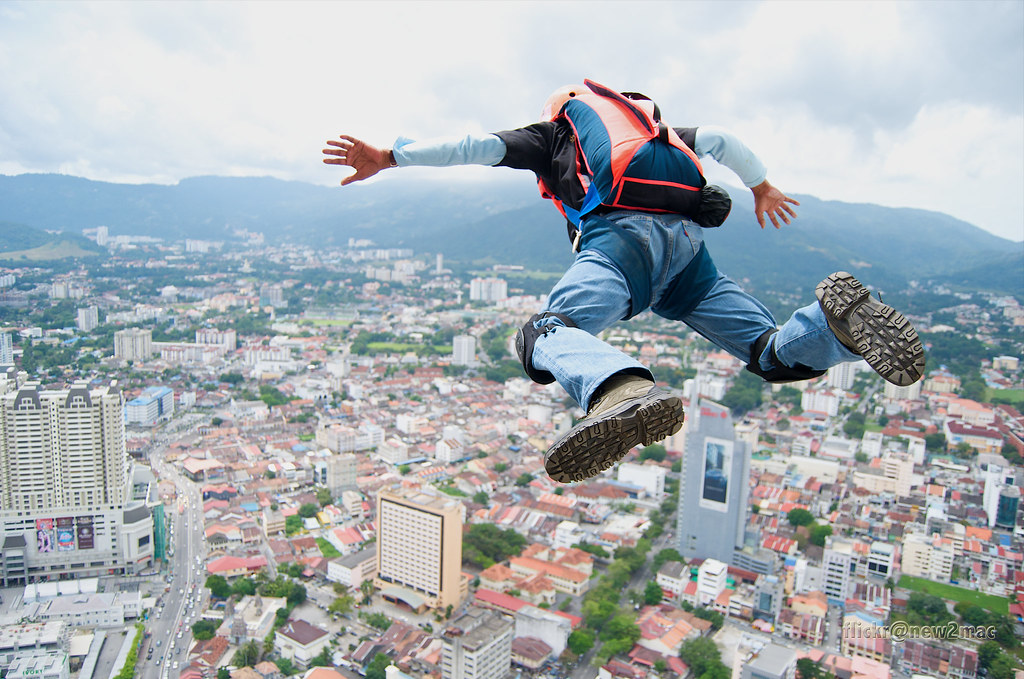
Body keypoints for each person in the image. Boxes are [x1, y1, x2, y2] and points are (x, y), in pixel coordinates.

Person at [323, 82, 925, 484]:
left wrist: (392, 156)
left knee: (546, 332)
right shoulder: (660, 135)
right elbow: (721, 140)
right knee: (770, 353)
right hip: (688, 254)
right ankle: (832, 326)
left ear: (560, 109)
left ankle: (617, 388)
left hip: (621, 246)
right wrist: (762, 185)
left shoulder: (551, 134)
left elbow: (472, 147)